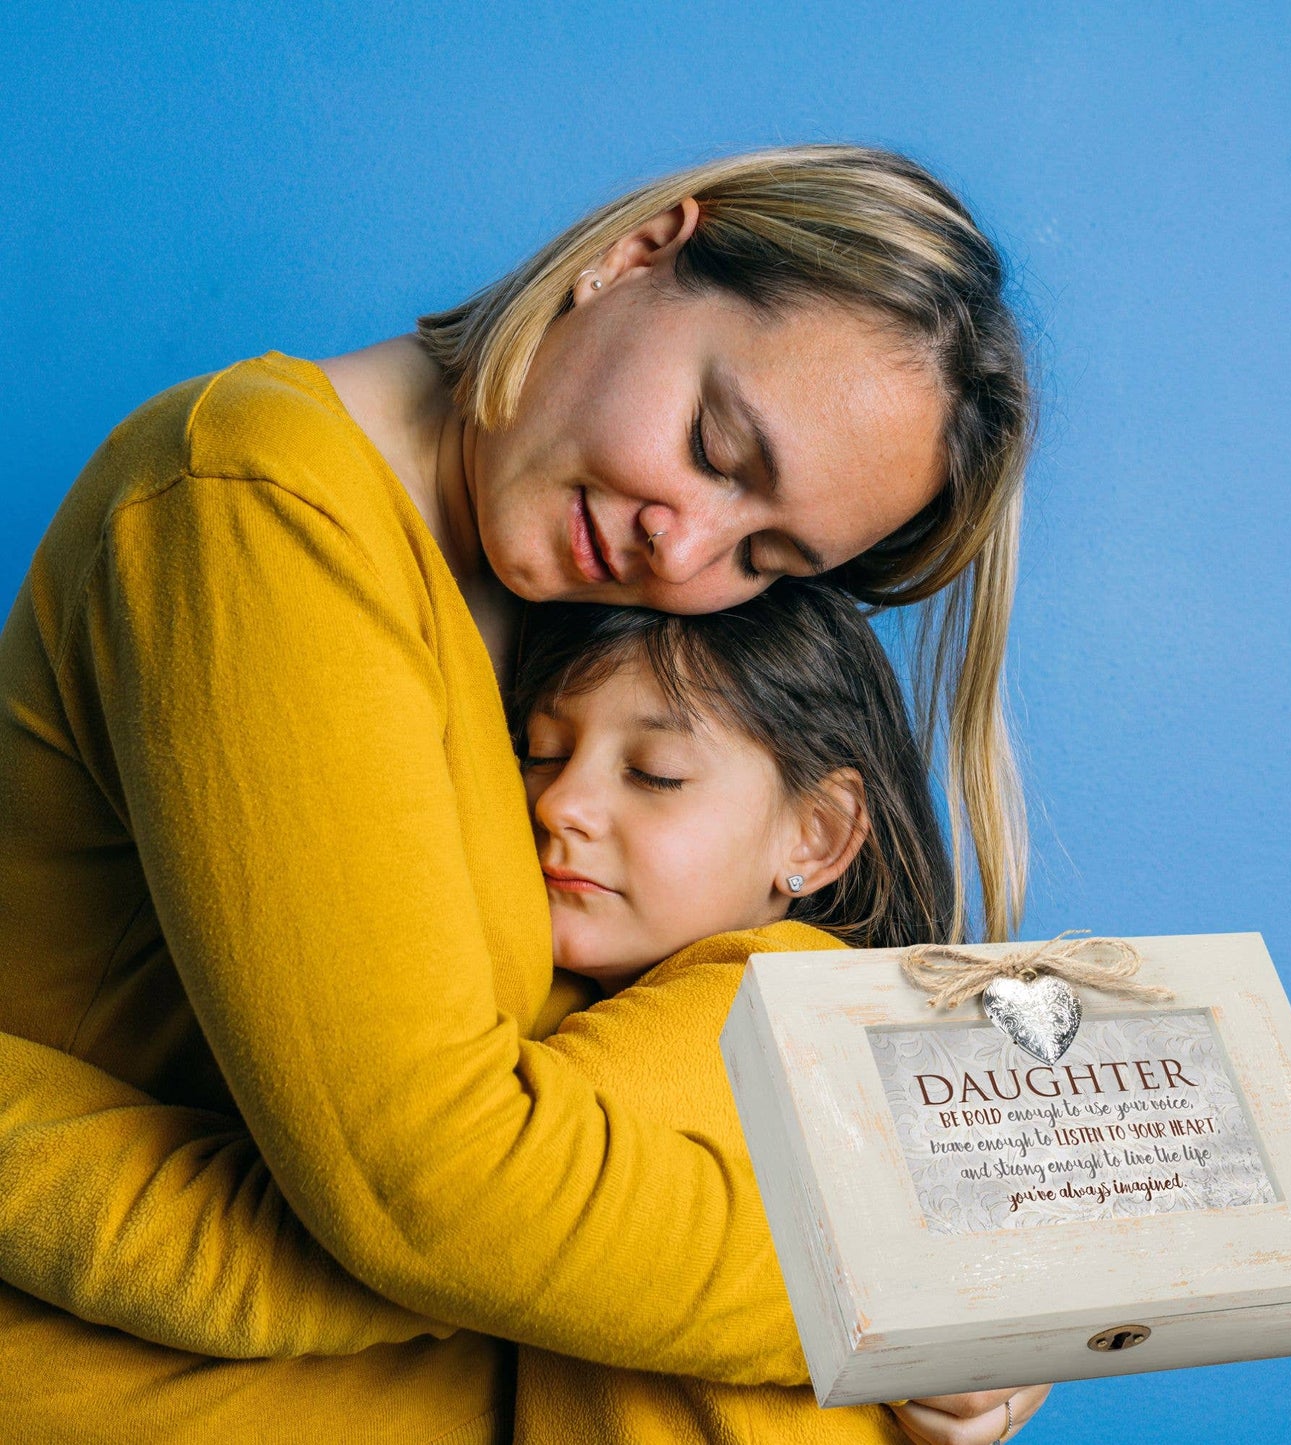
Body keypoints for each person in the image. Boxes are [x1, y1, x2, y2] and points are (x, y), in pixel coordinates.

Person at [0, 144, 1032, 1440]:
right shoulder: (263, 505)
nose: (689, 546)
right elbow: (429, 1195)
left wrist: (978, 1302)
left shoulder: (552, 604)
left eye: (766, 555)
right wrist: (915, 1290)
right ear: (637, 253)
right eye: (716, 445)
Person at [1, 582, 1053, 1444]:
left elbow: (351, 1243)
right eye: (537, 750)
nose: (559, 803)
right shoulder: (659, 1013)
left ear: (815, 837)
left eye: (654, 771)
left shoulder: (759, 992)